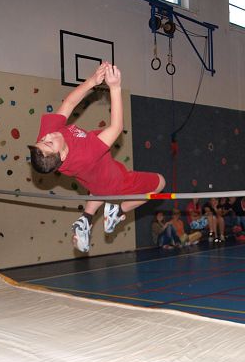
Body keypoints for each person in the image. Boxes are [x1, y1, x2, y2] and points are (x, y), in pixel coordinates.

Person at [29, 63, 165, 252]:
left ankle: (86, 218)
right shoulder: (86, 154)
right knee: (160, 183)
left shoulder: (48, 139)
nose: (48, 136)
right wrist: (115, 88)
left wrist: (92, 81)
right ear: (63, 154)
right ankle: (119, 210)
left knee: (98, 187)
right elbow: (116, 127)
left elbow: (69, 103)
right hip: (114, 182)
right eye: (49, 142)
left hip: (96, 179)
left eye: (43, 140)